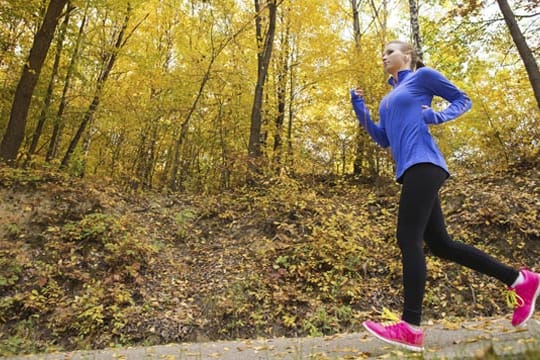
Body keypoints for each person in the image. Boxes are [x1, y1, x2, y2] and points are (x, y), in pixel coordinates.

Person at [350, 40, 540, 352]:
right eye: (382, 54)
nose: (384, 57)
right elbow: (382, 138)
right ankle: (521, 281)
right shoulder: (387, 100)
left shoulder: (422, 77)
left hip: (425, 163)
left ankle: (410, 327)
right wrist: (360, 109)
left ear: (407, 55)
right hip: (411, 169)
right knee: (440, 244)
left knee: (407, 237)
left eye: (390, 52)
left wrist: (437, 116)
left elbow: (462, 99)